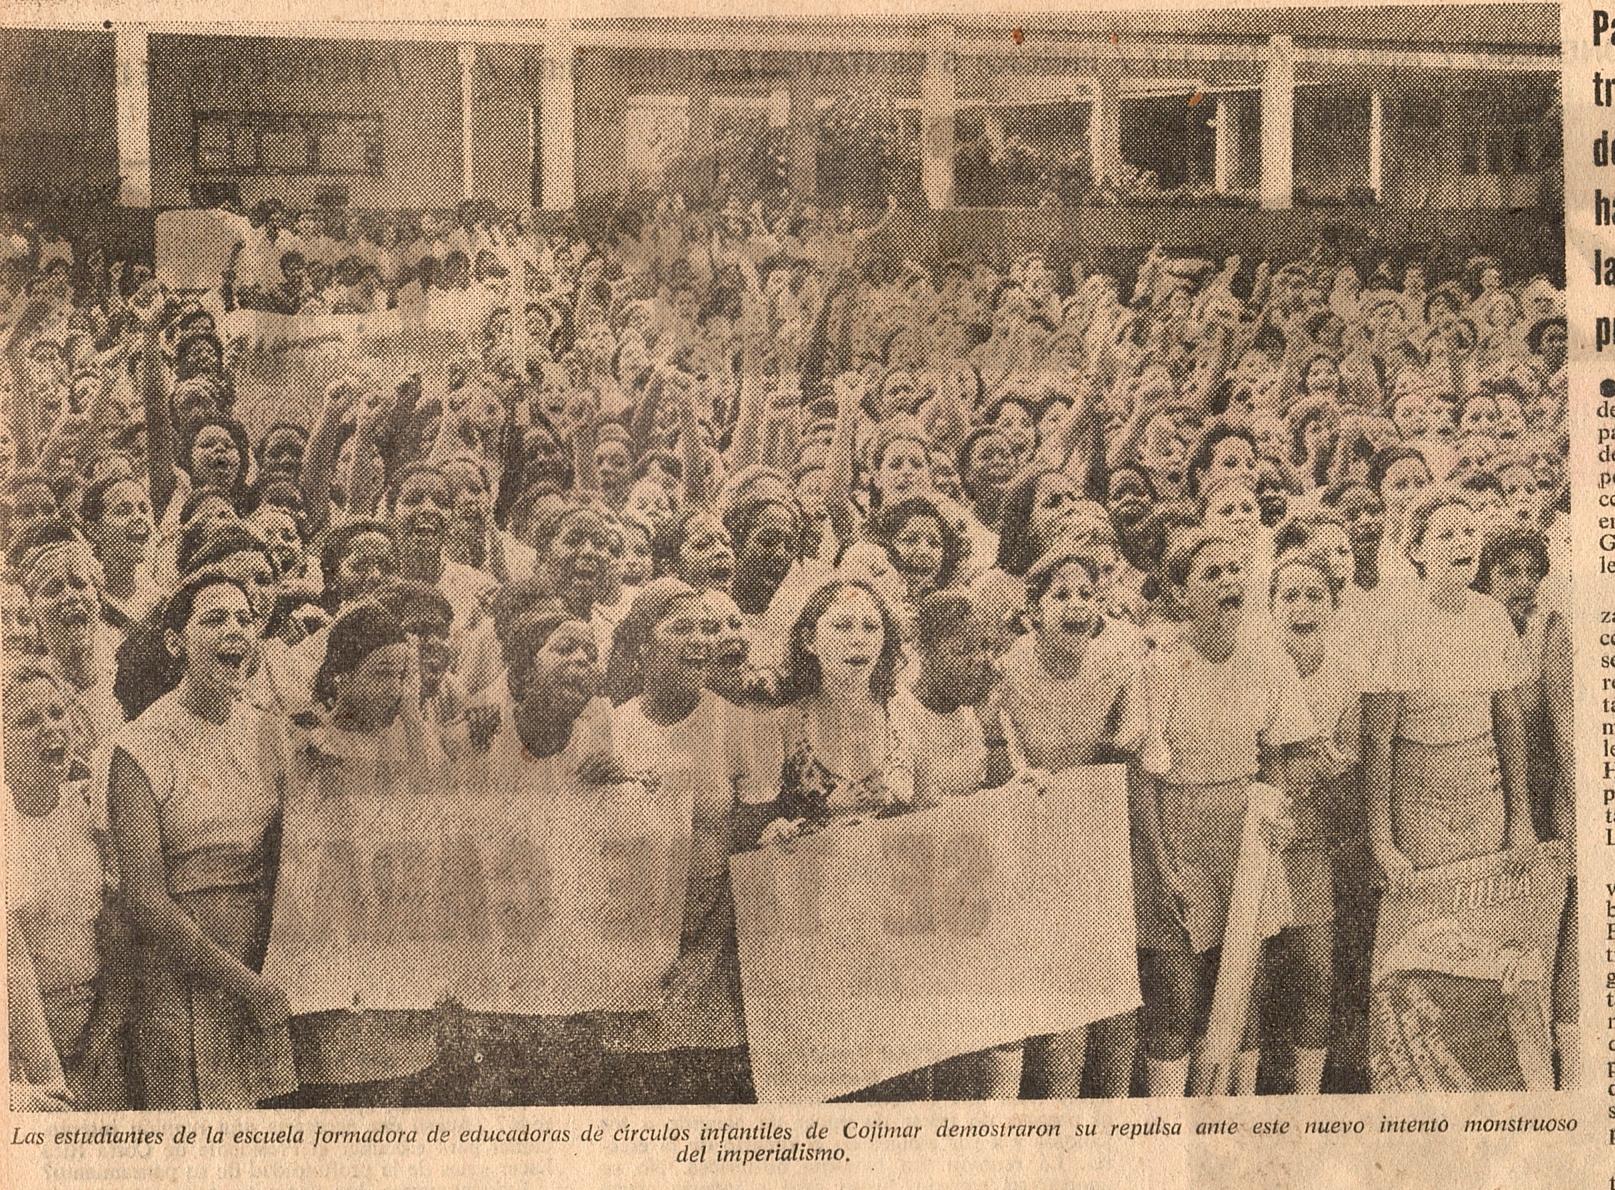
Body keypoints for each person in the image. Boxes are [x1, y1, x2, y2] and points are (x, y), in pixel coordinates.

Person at [1132, 529, 1318, 1096]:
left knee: (1244, 985)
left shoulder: (1266, 654)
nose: (1229, 582)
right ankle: (1170, 1118)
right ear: (1183, 594)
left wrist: (1281, 807)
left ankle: (1236, 1112)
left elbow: (1288, 750)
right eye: (1212, 575)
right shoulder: (1161, 662)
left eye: (1236, 570)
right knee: (1177, 994)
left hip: (1244, 827)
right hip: (1173, 828)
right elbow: (1140, 777)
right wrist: (1155, 868)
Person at [106, 572, 296, 1108]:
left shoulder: (269, 729)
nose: (234, 630)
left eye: (244, 619)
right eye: (214, 619)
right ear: (177, 642)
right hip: (181, 974)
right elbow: (144, 901)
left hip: (263, 962)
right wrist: (245, 984)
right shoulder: (139, 745)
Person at [269, 604, 445, 1107]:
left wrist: (411, 708)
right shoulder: (305, 745)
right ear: (341, 678)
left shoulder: (414, 743)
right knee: (338, 1093)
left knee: (402, 1091)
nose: (394, 688)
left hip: (397, 941)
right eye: (381, 675)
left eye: (401, 674)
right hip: (329, 946)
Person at [995, 550, 1142, 1098]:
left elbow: (1127, 755)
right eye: (1062, 595)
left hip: (1097, 836)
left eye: (1088, 594)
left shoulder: (1118, 666)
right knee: (1055, 995)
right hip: (1030, 836)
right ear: (1034, 609)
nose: (1078, 605)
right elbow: (1001, 756)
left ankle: (1111, 1114)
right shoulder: (1008, 669)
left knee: (1112, 988)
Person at [603, 578, 757, 1102]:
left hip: (713, 956)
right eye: (683, 628)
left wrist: (697, 962)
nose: (701, 639)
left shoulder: (739, 726)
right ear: (644, 642)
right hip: (629, 960)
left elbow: (751, 856)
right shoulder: (609, 728)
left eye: (709, 629)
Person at [1362, 491, 1536, 882]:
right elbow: (1377, 738)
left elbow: (1508, 719)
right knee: (1428, 932)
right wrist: (1382, 842)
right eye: (1447, 534)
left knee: (1484, 925)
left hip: (1484, 791)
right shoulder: (1396, 621)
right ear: (1418, 550)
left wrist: (1520, 819)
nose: (1462, 541)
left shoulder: (1491, 614)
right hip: (1419, 797)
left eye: (1469, 531)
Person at [5, 661, 131, 1108]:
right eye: (27, 721)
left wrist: (101, 1032)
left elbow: (121, 928)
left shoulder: (90, 808)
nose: (49, 729)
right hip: (25, 1035)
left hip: (104, 1023)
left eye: (56, 713)